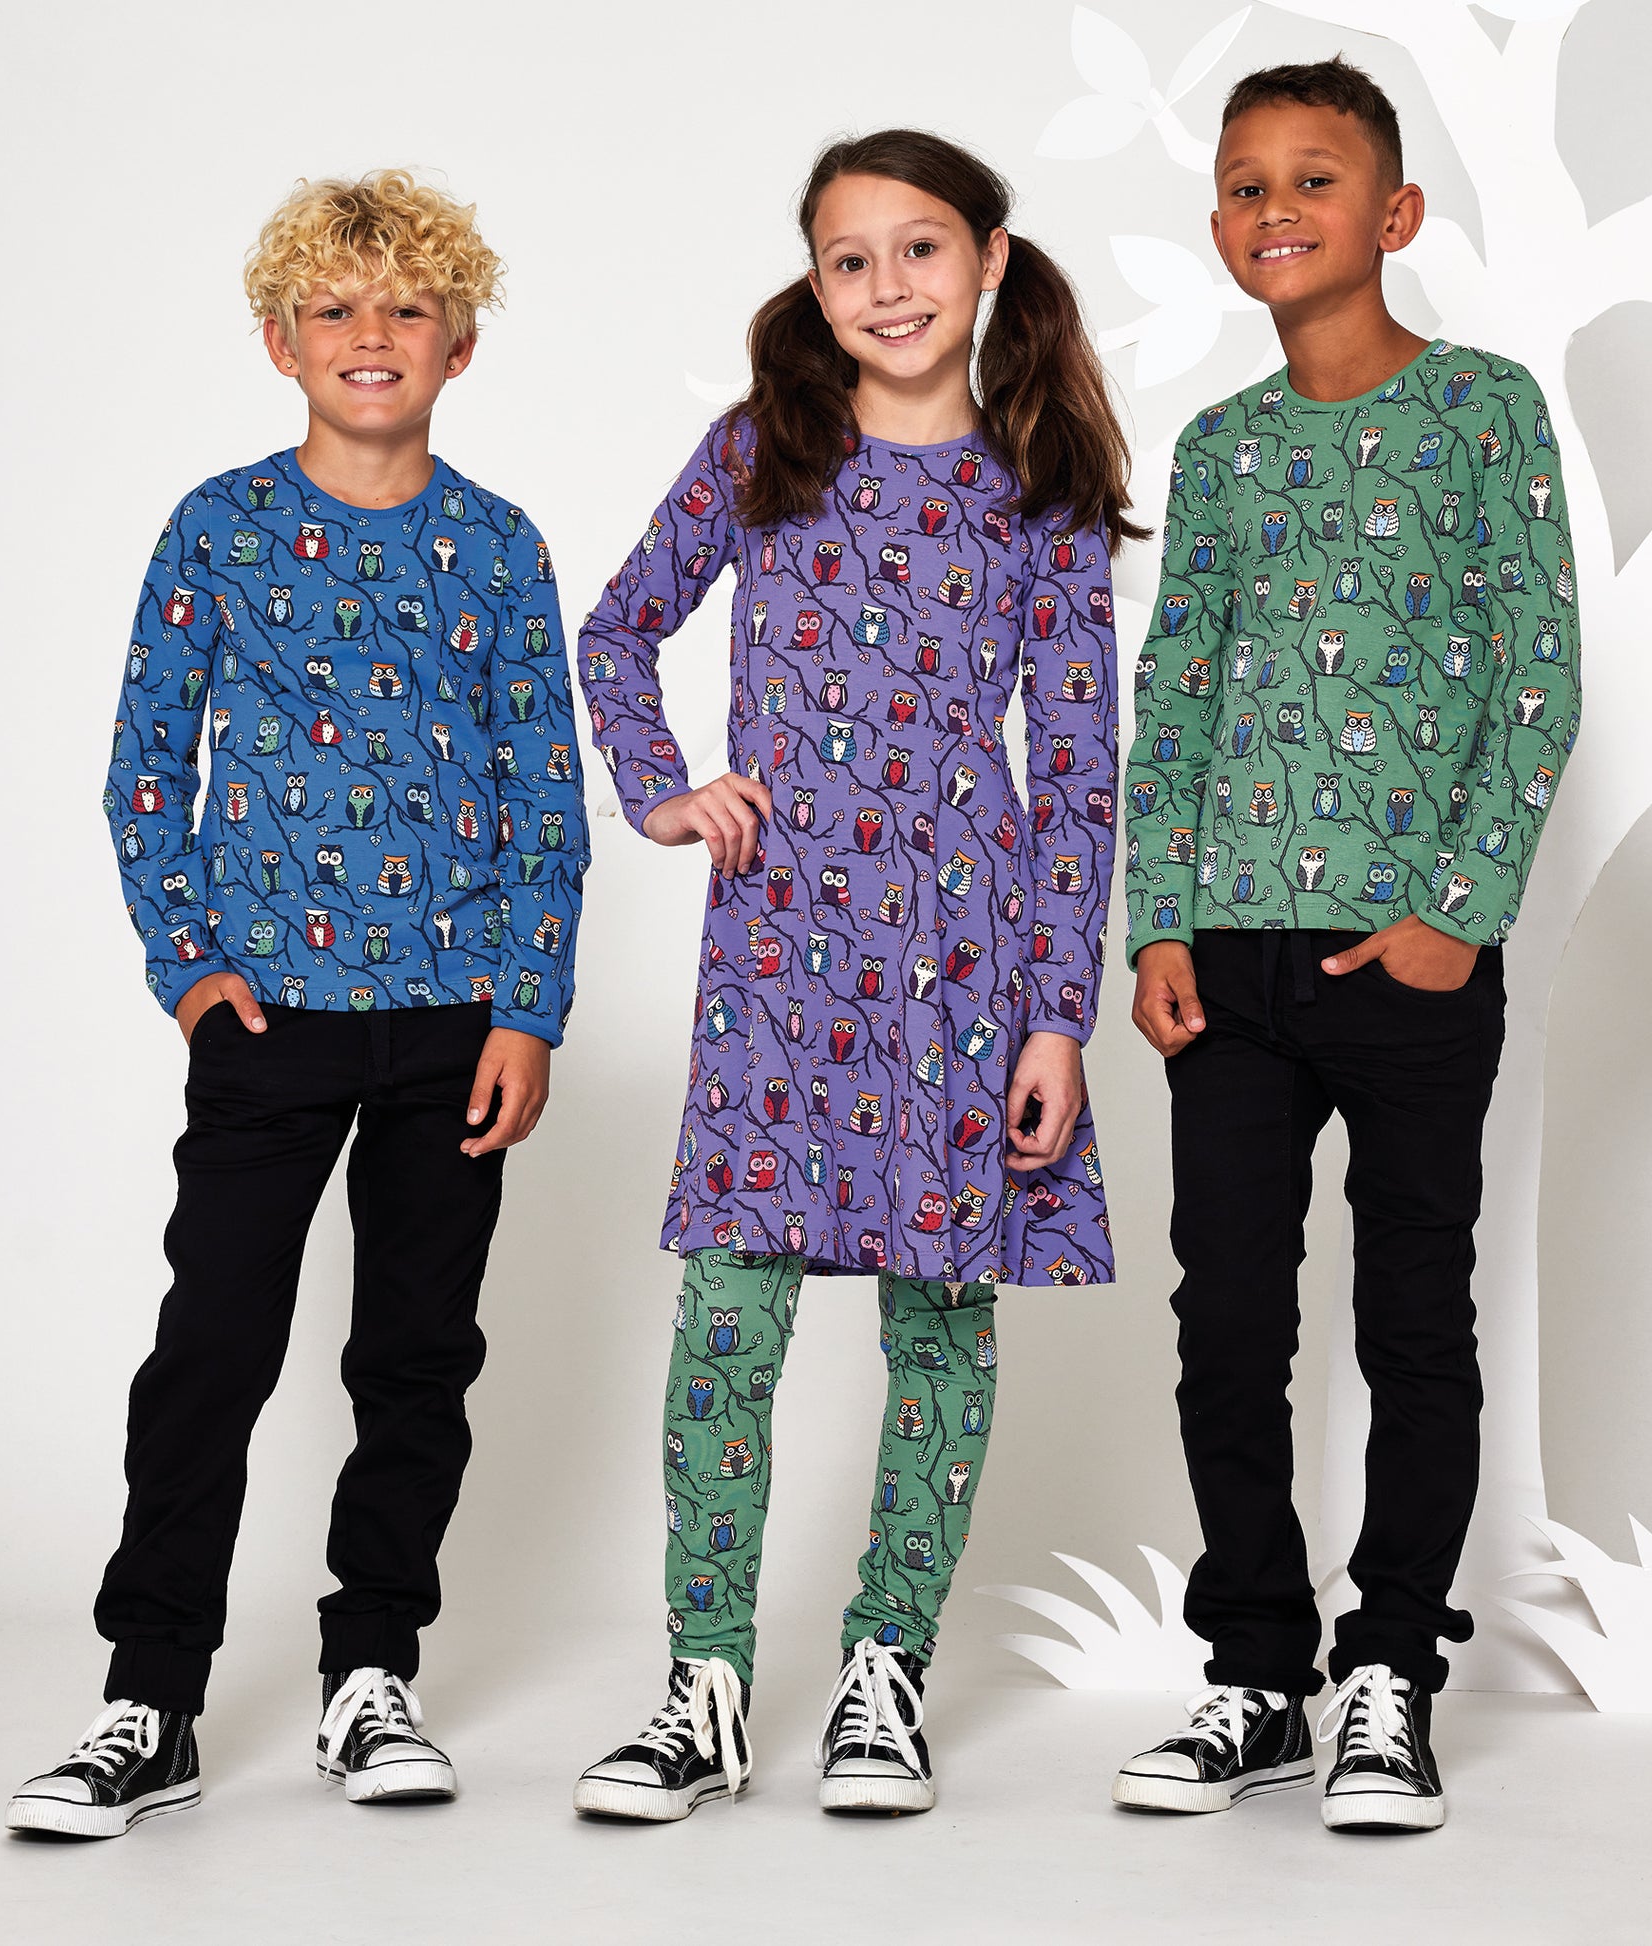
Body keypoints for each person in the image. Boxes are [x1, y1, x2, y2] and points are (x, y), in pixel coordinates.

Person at [5, 170, 588, 1838]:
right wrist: (189, 967)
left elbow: (546, 790)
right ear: (280, 341)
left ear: (460, 344)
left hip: (455, 1019)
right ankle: (150, 1698)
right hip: (267, 1021)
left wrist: (529, 1007)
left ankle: (370, 1672)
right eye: (334, 308)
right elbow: (144, 764)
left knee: (416, 1357)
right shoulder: (218, 527)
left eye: (406, 307)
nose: (370, 335)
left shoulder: (498, 544)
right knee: (212, 1348)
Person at [570, 130, 1136, 1821]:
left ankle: (886, 1669)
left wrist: (1056, 1015)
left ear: (988, 258)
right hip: (778, 964)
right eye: (848, 258)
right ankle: (705, 1684)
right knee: (726, 1321)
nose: (886, 286)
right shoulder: (763, 448)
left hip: (964, 974)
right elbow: (617, 626)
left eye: (919, 248)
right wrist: (660, 786)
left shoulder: (1040, 487)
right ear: (814, 282)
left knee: (940, 1324)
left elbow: (1080, 769)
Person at [1115, 58, 1581, 1833]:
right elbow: (1177, 691)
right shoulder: (1218, 448)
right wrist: (1157, 917)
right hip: (1228, 960)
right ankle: (1256, 1675)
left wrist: (1457, 915)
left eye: (1312, 178)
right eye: (1244, 183)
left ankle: (1390, 1671)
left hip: (1408, 960)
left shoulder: (1480, 410)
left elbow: (1535, 668)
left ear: (1392, 214)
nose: (1274, 208)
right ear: (1216, 221)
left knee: (1411, 1319)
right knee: (1227, 1321)